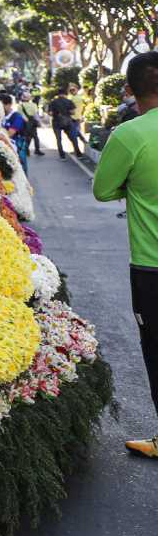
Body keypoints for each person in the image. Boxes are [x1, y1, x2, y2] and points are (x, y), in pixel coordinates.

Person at [91, 53, 158, 458]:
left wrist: (132, 189)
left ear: (130, 91)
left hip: (152, 268)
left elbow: (103, 190)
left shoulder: (129, 135)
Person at [47, 88, 83, 158]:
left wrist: (55, 113)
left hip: (57, 122)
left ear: (58, 94)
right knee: (73, 138)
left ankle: (62, 156)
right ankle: (78, 153)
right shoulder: (69, 101)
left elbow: (50, 113)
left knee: (59, 139)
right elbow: (73, 112)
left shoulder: (53, 102)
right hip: (68, 121)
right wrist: (67, 112)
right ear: (65, 94)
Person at [0, 95, 30, 176]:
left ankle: (25, 184)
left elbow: (10, 134)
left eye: (1, 105)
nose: (0, 108)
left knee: (21, 165)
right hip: (7, 146)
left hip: (18, 145)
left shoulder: (17, 117)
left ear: (9, 104)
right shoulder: (2, 116)